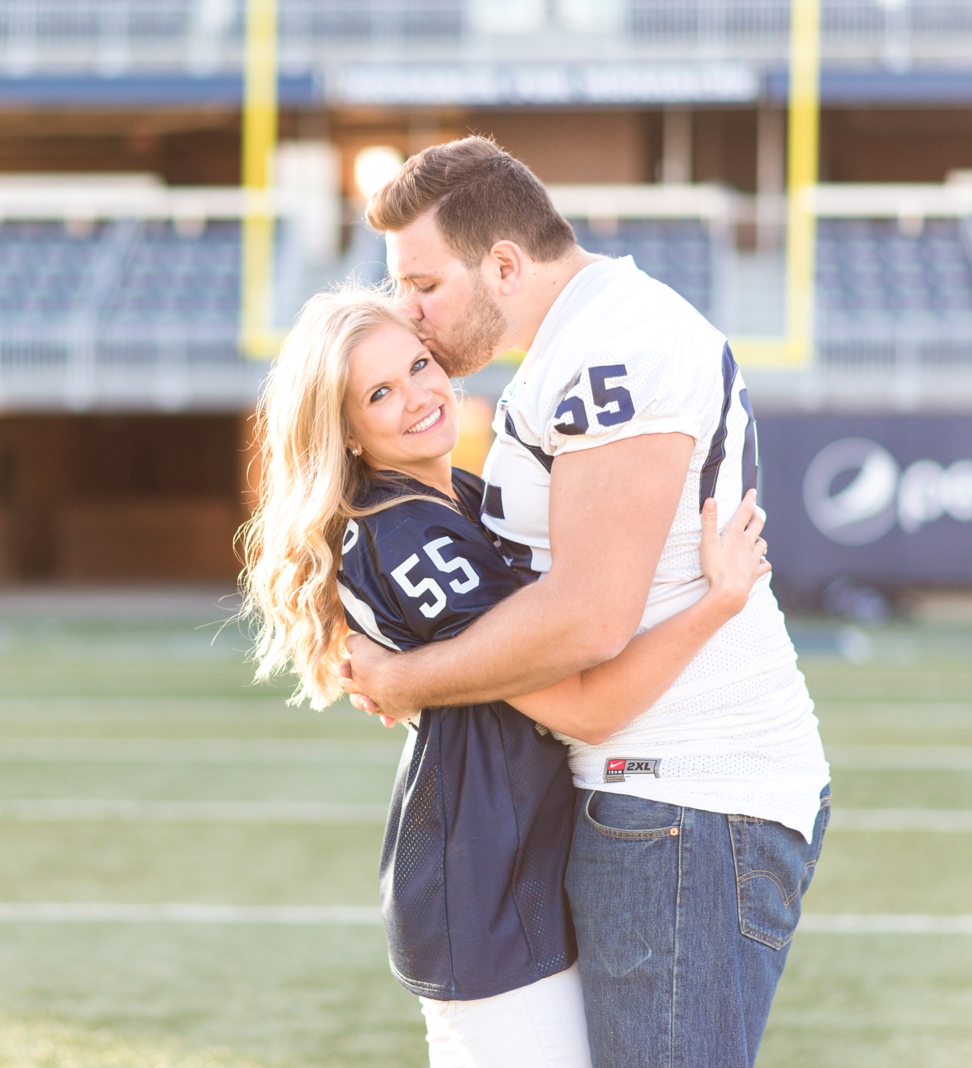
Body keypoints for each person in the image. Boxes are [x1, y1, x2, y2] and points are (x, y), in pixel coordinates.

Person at [340, 136, 831, 1068]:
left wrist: (408, 676)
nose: (411, 314)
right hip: (654, 792)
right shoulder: (582, 340)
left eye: (425, 285)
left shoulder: (619, 346)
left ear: (505, 263)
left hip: (686, 793)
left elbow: (589, 618)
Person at [240, 287, 772, 1068]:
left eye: (419, 366)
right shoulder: (407, 532)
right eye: (379, 393)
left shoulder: (451, 494)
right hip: (487, 883)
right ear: (345, 431)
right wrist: (715, 603)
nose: (419, 396)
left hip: (516, 861)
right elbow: (586, 706)